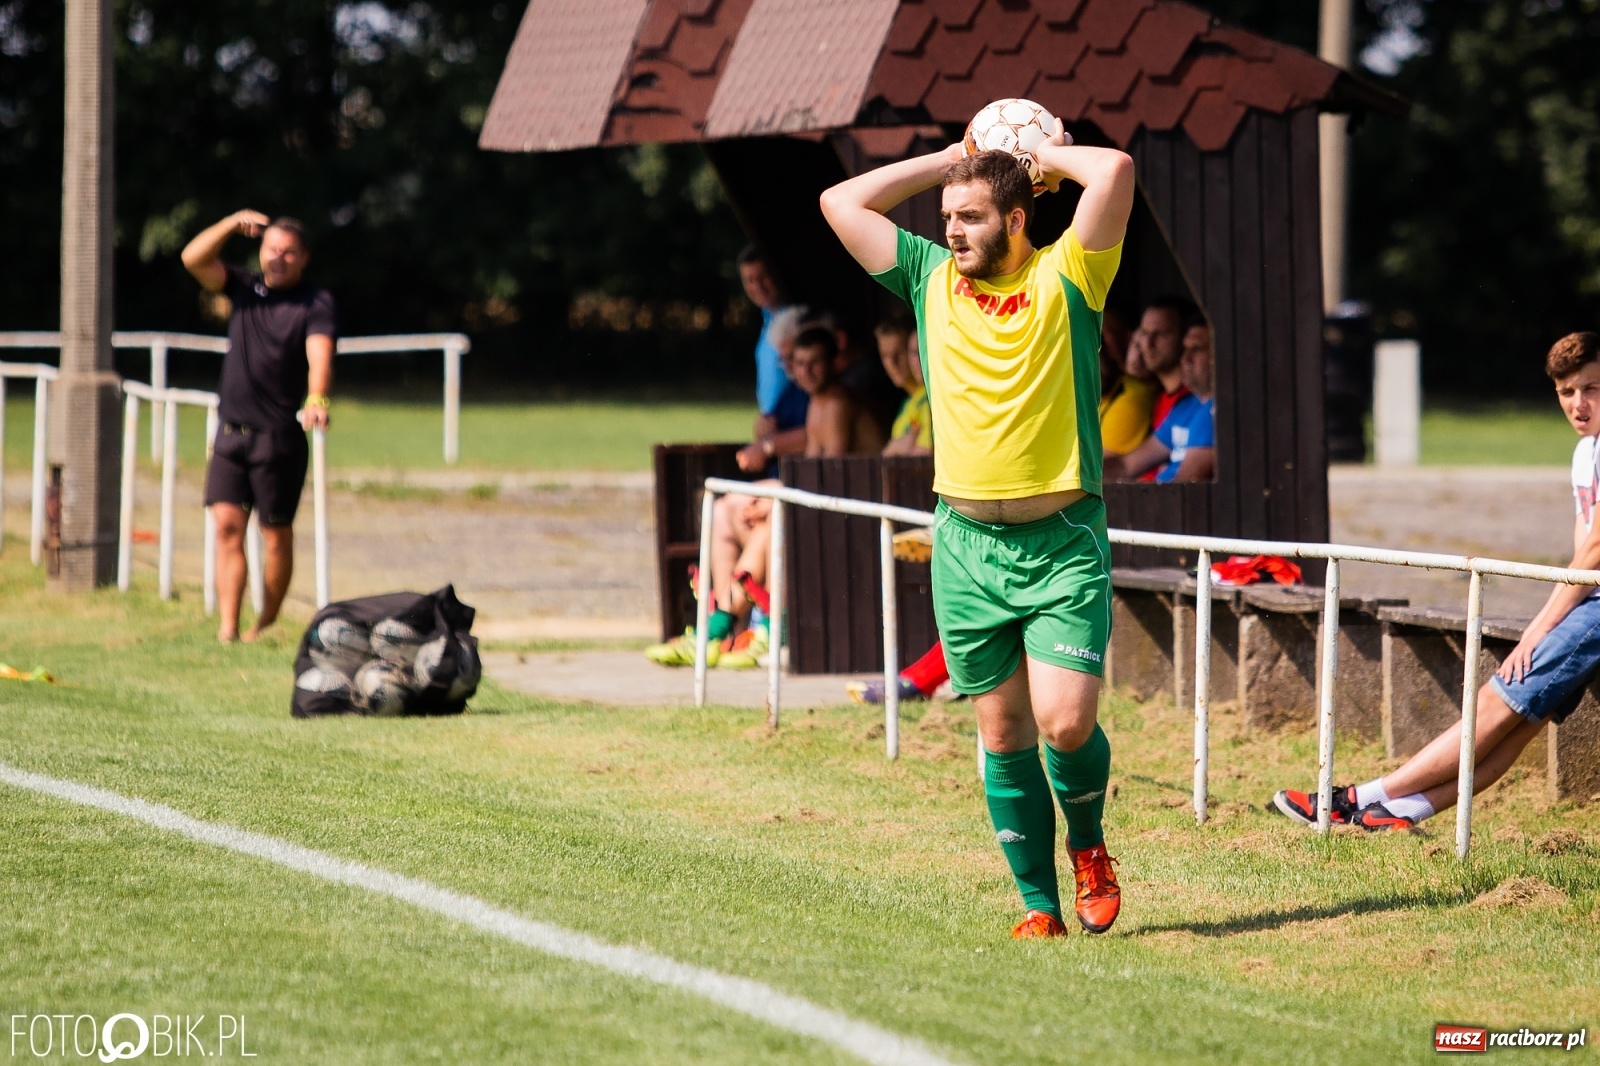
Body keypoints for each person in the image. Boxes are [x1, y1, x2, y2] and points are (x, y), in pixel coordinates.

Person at [821, 129, 1135, 939]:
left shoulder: (1071, 273)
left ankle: (1090, 846)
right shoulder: (927, 276)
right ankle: (1039, 908)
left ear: (1020, 220)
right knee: (1001, 731)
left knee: (1065, 724)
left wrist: (1039, 152)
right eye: (947, 215)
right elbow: (839, 203)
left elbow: (1116, 170)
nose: (952, 229)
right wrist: (953, 158)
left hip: (1062, 542)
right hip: (966, 546)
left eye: (969, 215)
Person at [1273, 331, 1600, 831]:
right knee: (1517, 725)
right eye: (1566, 392)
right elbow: (1582, 552)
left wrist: (1537, 630)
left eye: (1591, 389)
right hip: (1589, 601)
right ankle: (1396, 813)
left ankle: (1350, 799)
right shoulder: (1585, 452)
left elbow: (1593, 555)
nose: (1579, 404)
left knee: (1499, 698)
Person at [180, 211, 335, 643]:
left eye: (288, 252)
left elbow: (319, 355)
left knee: (275, 536)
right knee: (227, 527)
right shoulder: (245, 287)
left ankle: (263, 622)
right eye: (272, 250)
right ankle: (228, 629)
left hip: (279, 439)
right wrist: (229, 223)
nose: (279, 259)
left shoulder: (314, 303)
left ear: (302, 258)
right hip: (231, 433)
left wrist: (317, 397)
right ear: (261, 252)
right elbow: (193, 258)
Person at [1104, 320, 1215, 483]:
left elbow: (1186, 486)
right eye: (1185, 349)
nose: (1185, 358)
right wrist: (1076, 478)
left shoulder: (1218, 411)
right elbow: (1126, 466)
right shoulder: (1185, 407)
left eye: (1197, 349)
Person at [1098, 305, 1155, 457]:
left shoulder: (1130, 396)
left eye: (1101, 336)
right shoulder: (1109, 390)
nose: (1096, 346)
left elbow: (1098, 472)